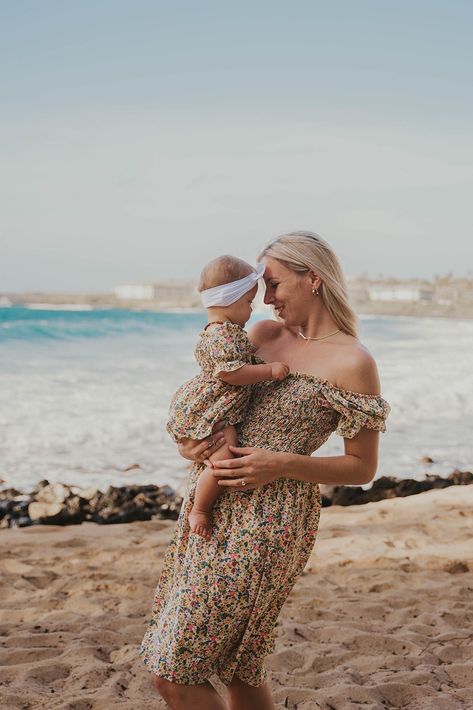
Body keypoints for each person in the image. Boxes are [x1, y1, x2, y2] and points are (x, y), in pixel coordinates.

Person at [140, 230, 391, 710]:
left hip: (270, 522)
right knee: (239, 668)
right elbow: (209, 404)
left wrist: (280, 464)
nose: (264, 299)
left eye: (273, 285)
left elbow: (362, 468)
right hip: (206, 508)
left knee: (173, 671)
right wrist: (194, 447)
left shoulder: (352, 362)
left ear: (313, 279)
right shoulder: (258, 337)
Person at [166, 254, 289, 539]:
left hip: (213, 407)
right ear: (229, 301)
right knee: (224, 463)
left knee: (224, 456)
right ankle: (200, 508)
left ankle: (199, 505)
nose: (251, 311)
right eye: (248, 303)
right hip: (211, 411)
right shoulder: (224, 335)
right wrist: (270, 371)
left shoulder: (220, 332)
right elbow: (231, 374)